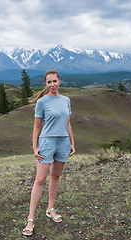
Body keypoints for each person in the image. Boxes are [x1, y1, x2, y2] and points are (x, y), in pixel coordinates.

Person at [23, 70, 75, 236]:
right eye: (49, 82)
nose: (52, 85)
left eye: (55, 81)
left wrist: (72, 143)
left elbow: (68, 124)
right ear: (46, 84)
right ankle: (30, 219)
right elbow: (37, 127)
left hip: (63, 142)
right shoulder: (42, 102)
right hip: (47, 142)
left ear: (59, 81)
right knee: (40, 179)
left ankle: (50, 209)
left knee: (56, 176)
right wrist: (34, 147)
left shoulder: (66, 100)